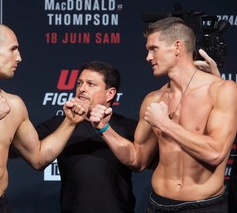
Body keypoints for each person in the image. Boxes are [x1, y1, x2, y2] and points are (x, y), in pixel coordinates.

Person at [89, 17, 237, 212]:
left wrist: (165, 124)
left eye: (153, 49)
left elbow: (215, 153)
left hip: (204, 207)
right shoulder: (153, 100)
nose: (148, 57)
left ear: (177, 47)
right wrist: (104, 129)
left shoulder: (222, 91)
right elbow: (137, 160)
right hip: (158, 205)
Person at [0, 21, 88, 212]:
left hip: (0, 206)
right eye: (13, 49)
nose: (19, 58)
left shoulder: (14, 105)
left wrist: (70, 123)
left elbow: (38, 158)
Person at [36, 61, 138, 213]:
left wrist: (104, 128)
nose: (82, 89)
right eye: (79, 83)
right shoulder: (60, 124)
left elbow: (141, 162)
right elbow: (24, 149)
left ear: (110, 93)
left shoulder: (128, 127)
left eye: (91, 84)